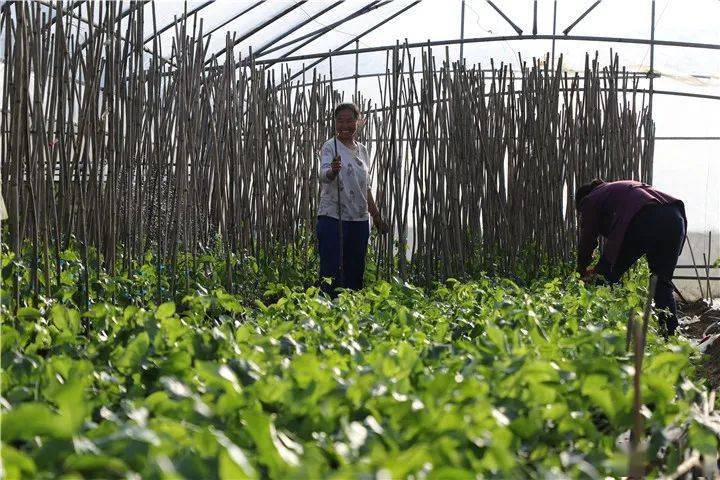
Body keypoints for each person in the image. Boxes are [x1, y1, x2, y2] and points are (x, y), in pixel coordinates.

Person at [575, 179, 687, 336]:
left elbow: (588, 239)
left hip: (644, 217)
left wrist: (581, 269)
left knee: (604, 276)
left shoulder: (591, 198)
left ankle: (596, 329)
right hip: (675, 217)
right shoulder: (616, 189)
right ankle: (670, 335)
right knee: (661, 282)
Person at [317, 103, 389, 296]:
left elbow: (365, 188)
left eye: (350, 121)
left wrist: (377, 217)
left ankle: (351, 315)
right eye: (340, 121)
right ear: (334, 122)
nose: (345, 126)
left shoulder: (362, 150)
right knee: (331, 270)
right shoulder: (330, 146)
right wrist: (333, 170)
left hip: (359, 219)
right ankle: (326, 312)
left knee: (355, 271)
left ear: (359, 122)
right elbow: (323, 175)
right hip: (333, 217)